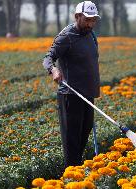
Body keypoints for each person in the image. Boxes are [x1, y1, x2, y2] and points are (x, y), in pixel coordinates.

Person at [42, 1, 101, 167]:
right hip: (70, 95)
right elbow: (48, 57)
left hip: (87, 93)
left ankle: (76, 167)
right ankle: (71, 173)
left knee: (85, 131)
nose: (91, 23)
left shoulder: (91, 34)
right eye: (88, 19)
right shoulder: (66, 36)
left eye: (94, 20)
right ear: (77, 16)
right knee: (72, 138)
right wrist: (53, 70)